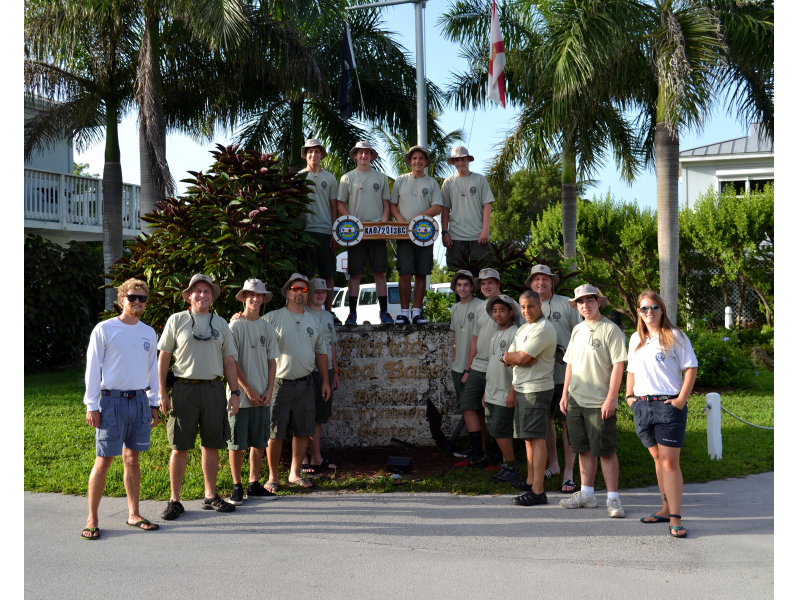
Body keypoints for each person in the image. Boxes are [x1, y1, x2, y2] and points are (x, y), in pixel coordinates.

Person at [81, 279, 160, 539]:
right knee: (103, 460)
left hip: (139, 401)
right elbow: (92, 369)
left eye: (142, 298)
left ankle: (134, 514)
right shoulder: (104, 329)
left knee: (132, 459)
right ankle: (92, 519)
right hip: (110, 401)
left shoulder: (149, 333)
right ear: (121, 299)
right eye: (132, 297)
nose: (137, 302)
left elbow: (152, 370)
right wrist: (92, 405)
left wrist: (153, 402)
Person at [158, 274, 241, 520]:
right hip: (183, 389)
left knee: (212, 444)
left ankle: (210, 495)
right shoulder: (176, 320)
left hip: (213, 389)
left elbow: (229, 361)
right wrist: (161, 391)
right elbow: (164, 357)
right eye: (198, 291)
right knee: (179, 446)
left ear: (212, 297)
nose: (202, 295)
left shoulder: (221, 323)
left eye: (207, 291)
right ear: (189, 296)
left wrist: (235, 392)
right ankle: (174, 500)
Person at [626, 290, 698, 538]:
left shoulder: (675, 335)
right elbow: (631, 370)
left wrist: (681, 400)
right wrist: (629, 397)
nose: (650, 312)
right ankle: (665, 508)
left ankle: (675, 518)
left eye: (654, 307)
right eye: (644, 308)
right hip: (642, 406)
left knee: (669, 462)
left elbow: (691, 368)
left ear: (662, 309)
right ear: (638, 312)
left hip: (668, 407)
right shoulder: (635, 339)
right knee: (658, 460)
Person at [558, 284, 628, 517]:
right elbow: (570, 364)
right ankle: (587, 494)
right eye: (580, 302)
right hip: (576, 400)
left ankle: (613, 499)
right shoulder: (577, 330)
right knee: (582, 449)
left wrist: (611, 399)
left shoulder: (611, 329)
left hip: (600, 401)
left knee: (606, 451)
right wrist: (565, 394)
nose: (585, 305)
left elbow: (618, 366)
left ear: (598, 302)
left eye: (589, 300)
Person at [263, 274, 331, 490]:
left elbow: (321, 353)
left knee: (303, 430)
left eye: (303, 289)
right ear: (287, 292)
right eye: (295, 289)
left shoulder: (314, 320)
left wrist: (325, 381)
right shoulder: (271, 318)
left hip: (306, 384)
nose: (299, 293)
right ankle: (273, 477)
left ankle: (294, 473)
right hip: (278, 384)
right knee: (275, 433)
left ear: (308, 294)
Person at [459, 268, 523, 469]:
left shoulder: (511, 305)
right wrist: (467, 369)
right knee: (468, 404)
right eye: (483, 283)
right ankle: (479, 453)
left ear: (498, 284)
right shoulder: (481, 307)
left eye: (490, 282)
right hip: (479, 366)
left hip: (501, 367)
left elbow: (521, 336)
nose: (486, 286)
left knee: (498, 412)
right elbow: (475, 339)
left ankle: (500, 457)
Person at [526, 264, 581, 494]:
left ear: (552, 282)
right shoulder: (527, 308)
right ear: (531, 284)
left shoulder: (566, 304)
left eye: (545, 279)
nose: (541, 283)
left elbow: (580, 335)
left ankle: (569, 473)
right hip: (539, 379)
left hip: (566, 376)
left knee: (568, 423)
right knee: (546, 423)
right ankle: (554, 465)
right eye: (536, 279)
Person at [501, 290, 558, 507]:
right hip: (523, 388)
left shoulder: (544, 328)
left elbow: (521, 356)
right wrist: (510, 357)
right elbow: (509, 357)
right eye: (523, 307)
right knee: (528, 438)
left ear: (540, 305)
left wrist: (518, 358)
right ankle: (531, 481)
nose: (526, 311)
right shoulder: (523, 328)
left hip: (537, 389)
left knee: (536, 438)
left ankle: (538, 491)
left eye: (531, 306)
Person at [226, 279, 280, 505]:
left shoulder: (267, 328)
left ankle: (253, 484)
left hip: (262, 395)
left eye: (259, 295)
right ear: (244, 297)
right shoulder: (235, 327)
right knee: (236, 443)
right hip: (239, 396)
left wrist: (269, 389)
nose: (256, 299)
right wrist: (246, 389)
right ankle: (237, 486)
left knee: (259, 442)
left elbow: (272, 361)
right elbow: (231, 361)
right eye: (252, 295)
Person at [337, 140, 393, 325]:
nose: (363, 155)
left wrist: (383, 223)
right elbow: (340, 205)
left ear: (371, 156)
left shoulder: (381, 177)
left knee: (379, 272)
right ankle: (352, 314)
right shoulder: (347, 178)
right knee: (355, 274)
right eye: (360, 153)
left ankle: (384, 312)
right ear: (355, 155)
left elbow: (386, 205)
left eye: (367, 153)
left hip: (377, 231)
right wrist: (353, 223)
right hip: (355, 233)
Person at [389, 145, 443, 324]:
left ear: (426, 161)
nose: (417, 161)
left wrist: (418, 218)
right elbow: (392, 204)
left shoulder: (432, 183)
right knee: (405, 273)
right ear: (409, 161)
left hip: (425, 233)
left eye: (421, 158)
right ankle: (404, 313)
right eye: (414, 158)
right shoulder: (400, 180)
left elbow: (437, 207)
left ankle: (417, 313)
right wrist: (402, 221)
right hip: (404, 234)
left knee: (421, 273)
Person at [302, 278, 340, 474]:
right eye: (317, 291)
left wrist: (335, 372)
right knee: (302, 415)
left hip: (327, 371)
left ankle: (316, 457)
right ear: (309, 293)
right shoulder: (301, 313)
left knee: (318, 417)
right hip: (307, 370)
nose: (320, 294)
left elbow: (332, 344)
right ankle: (302, 459)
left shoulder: (327, 316)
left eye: (324, 291)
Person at [449, 269, 487, 467]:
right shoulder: (455, 308)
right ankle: (477, 448)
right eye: (459, 285)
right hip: (458, 367)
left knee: (474, 408)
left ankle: (481, 450)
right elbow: (456, 337)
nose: (462, 288)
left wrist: (468, 368)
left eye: (466, 284)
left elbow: (480, 337)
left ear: (472, 286)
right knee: (469, 408)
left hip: (474, 366)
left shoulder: (481, 306)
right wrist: (455, 361)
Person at [482, 294, 522, 484]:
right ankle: (506, 465)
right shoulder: (495, 334)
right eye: (495, 311)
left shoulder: (516, 333)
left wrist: (512, 392)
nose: (498, 314)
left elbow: (519, 367)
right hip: (491, 391)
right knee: (497, 430)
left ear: (511, 312)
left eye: (502, 310)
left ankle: (512, 467)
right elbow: (492, 364)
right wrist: (485, 391)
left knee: (500, 430)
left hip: (505, 392)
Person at [297, 139, 339, 312]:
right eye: (310, 152)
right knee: (305, 276)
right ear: (305, 155)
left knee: (327, 275)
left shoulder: (330, 178)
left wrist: (335, 232)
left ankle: (329, 313)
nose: (313, 154)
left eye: (316, 151)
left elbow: (334, 207)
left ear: (321, 155)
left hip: (326, 232)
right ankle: (305, 311)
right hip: (305, 232)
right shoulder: (299, 177)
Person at [440, 146, 494, 269]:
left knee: (483, 274)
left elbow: (487, 205)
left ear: (468, 160)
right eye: (457, 160)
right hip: (455, 237)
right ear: (453, 162)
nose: (460, 163)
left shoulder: (480, 179)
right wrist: (444, 232)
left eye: (463, 159)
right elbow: (445, 209)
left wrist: (485, 230)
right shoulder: (448, 182)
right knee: (459, 275)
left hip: (478, 236)